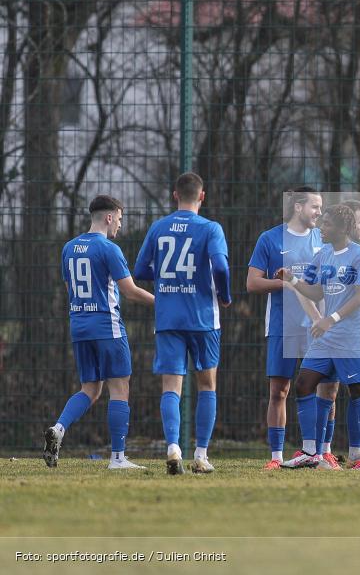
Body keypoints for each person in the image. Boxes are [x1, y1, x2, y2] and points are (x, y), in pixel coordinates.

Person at [44, 195, 155, 470]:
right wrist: (161, 302)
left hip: (79, 326)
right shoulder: (109, 249)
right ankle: (117, 458)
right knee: (119, 386)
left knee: (90, 389)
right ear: (108, 217)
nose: (119, 224)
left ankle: (59, 428)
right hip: (107, 326)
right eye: (119, 218)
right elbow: (129, 291)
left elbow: (70, 291)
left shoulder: (69, 248)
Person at [134, 173, 231, 475]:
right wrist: (225, 296)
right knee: (207, 386)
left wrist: (167, 278)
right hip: (203, 318)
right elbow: (221, 267)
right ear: (202, 196)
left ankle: (173, 447)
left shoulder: (159, 227)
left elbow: (139, 269)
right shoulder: (211, 229)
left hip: (169, 317)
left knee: (171, 387)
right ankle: (201, 455)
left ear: (175, 195)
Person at [277, 204, 360, 470]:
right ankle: (310, 452)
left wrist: (329, 320)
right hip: (327, 337)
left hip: (353, 338)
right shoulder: (323, 255)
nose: (322, 228)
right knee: (304, 383)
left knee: (359, 392)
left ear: (342, 229)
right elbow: (316, 293)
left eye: (327, 224)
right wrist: (293, 280)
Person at [246, 188, 323, 470]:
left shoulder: (323, 239)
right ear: (298, 207)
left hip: (317, 325)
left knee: (325, 388)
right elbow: (252, 283)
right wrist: (287, 284)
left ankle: (320, 451)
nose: (319, 213)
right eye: (315, 206)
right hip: (282, 324)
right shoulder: (269, 238)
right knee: (279, 390)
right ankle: (276, 458)